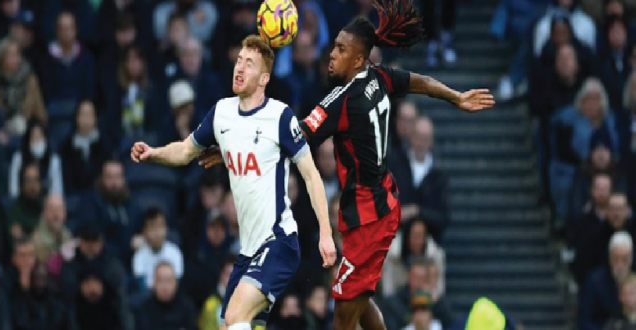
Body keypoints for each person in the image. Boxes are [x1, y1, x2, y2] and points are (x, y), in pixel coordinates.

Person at [199, 1, 494, 329]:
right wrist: (455, 96)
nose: (332, 54)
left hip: (371, 218)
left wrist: (232, 147)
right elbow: (419, 81)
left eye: (340, 49)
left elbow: (293, 137)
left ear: (357, 59)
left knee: (342, 316)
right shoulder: (379, 77)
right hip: (376, 206)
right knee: (360, 299)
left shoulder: (341, 101)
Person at [130, 35, 337, 330]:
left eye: (249, 64)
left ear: (264, 78)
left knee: (237, 313)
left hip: (278, 242)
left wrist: (326, 234)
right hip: (248, 249)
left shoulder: (280, 116)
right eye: (239, 60)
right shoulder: (221, 113)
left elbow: (311, 175)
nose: (239, 68)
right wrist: (154, 154)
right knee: (230, 322)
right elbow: (186, 151)